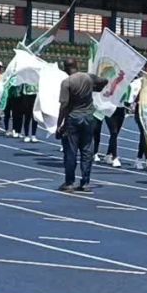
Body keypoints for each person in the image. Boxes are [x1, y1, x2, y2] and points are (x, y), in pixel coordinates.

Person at [55, 58, 107, 193]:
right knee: (86, 151)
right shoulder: (88, 77)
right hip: (89, 118)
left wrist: (59, 124)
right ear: (77, 65)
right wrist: (96, 88)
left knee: (71, 152)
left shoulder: (67, 82)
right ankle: (85, 182)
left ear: (65, 68)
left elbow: (64, 105)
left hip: (73, 118)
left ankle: (70, 182)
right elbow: (104, 81)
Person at [130, 65, 147, 171]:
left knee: (145, 135)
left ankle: (138, 159)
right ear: (145, 71)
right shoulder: (139, 82)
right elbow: (132, 96)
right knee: (145, 134)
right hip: (140, 111)